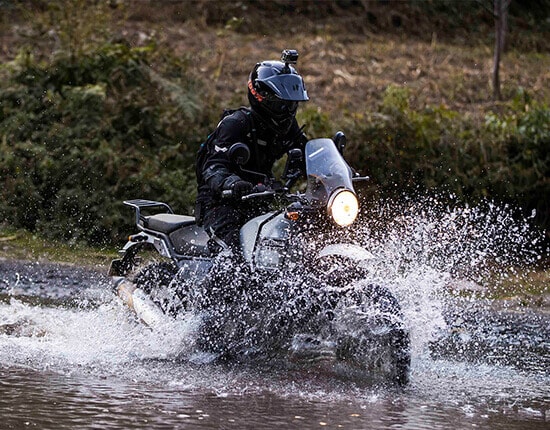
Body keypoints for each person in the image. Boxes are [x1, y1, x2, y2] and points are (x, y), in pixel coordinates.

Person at [195, 49, 309, 255]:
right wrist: (232, 183)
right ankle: (206, 287)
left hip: (259, 201)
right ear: (260, 96)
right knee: (234, 255)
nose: (288, 110)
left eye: (292, 104)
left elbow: (307, 154)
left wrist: (338, 175)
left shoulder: (287, 126)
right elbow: (213, 167)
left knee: (287, 248)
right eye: (281, 104)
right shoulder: (236, 124)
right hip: (220, 203)